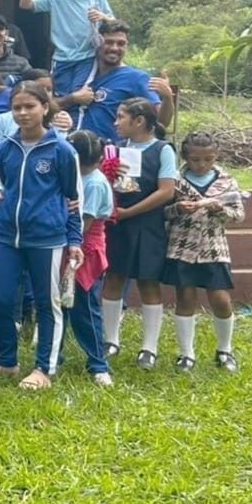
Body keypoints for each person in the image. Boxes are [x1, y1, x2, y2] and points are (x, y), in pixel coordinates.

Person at [0, 82, 82, 390]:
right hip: (7, 235)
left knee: (47, 303)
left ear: (45, 108)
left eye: (29, 106)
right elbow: (9, 187)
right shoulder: (6, 149)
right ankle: (7, 361)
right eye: (17, 107)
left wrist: (74, 240)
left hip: (47, 238)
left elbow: (74, 198)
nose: (22, 113)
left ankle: (44, 368)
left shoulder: (62, 150)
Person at [101, 98, 177, 368]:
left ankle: (149, 347)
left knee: (148, 282)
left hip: (148, 225)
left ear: (139, 121)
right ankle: (110, 340)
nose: (116, 123)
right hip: (117, 226)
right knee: (114, 278)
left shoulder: (162, 150)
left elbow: (166, 191)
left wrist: (129, 213)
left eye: (121, 117)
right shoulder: (116, 150)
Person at [162, 131, 243, 373]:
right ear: (186, 157)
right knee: (185, 297)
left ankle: (224, 350)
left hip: (213, 249)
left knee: (220, 298)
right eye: (196, 160)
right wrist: (177, 208)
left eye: (208, 159)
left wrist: (219, 208)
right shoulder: (175, 180)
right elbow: (163, 212)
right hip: (182, 247)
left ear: (215, 156)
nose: (202, 164)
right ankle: (186, 354)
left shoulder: (226, 180)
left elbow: (238, 214)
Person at [19, 0, 115, 96]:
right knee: (60, 95)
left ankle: (76, 118)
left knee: (80, 93)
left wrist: (103, 17)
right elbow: (25, 4)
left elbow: (114, 22)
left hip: (87, 56)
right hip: (62, 58)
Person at [64, 20, 173, 142]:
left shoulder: (136, 78)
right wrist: (72, 99)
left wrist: (167, 98)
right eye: (109, 42)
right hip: (73, 147)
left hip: (110, 154)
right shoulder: (80, 73)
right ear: (97, 42)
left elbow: (161, 122)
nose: (114, 48)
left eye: (121, 44)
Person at [67, 130, 116, 386]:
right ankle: (55, 356)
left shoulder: (94, 183)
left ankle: (98, 363)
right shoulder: (75, 177)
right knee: (62, 305)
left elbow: (83, 225)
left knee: (85, 307)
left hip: (85, 248)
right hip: (68, 246)